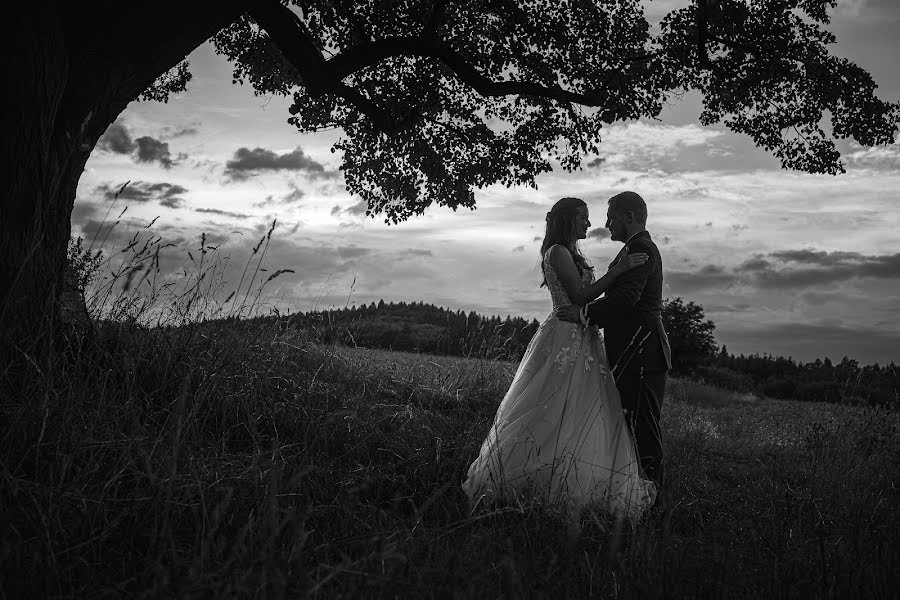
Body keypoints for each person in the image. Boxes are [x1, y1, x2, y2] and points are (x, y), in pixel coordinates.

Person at [462, 196, 657, 520]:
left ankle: (574, 477)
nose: (589, 223)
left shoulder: (572, 253)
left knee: (582, 406)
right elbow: (579, 296)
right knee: (549, 405)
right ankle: (528, 476)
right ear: (568, 219)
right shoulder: (557, 252)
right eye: (583, 217)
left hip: (583, 334)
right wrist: (620, 270)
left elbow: (584, 300)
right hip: (564, 336)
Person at [557, 191, 672, 487]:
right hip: (632, 352)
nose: (606, 223)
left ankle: (656, 500)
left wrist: (583, 314)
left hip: (643, 352)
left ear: (629, 217)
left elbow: (625, 299)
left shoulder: (643, 248)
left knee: (644, 428)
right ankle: (639, 490)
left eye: (611, 217)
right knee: (633, 425)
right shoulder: (632, 249)